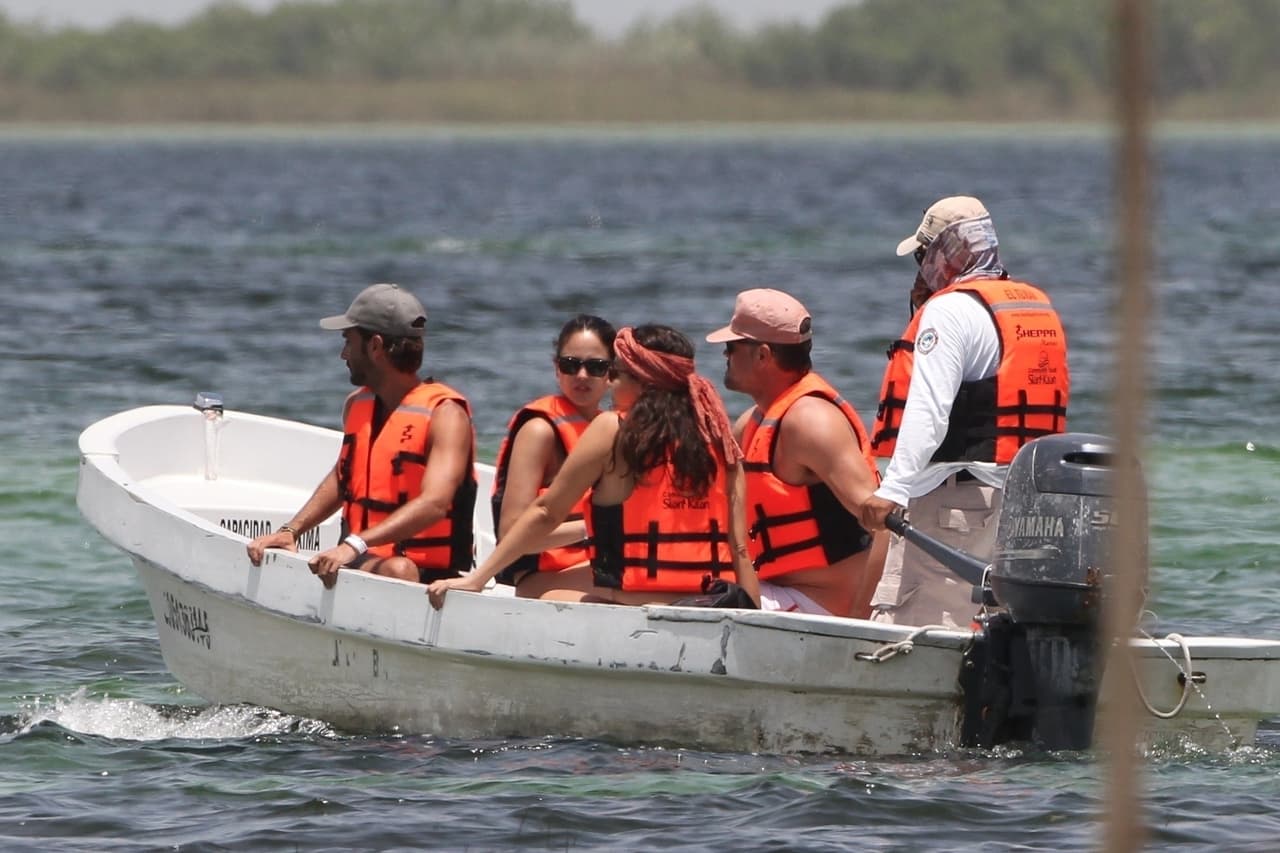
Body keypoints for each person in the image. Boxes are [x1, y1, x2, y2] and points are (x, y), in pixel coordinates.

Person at [428, 324, 757, 609]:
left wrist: (477, 578)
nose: (609, 384)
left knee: (539, 595)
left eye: (614, 373)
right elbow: (740, 548)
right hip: (713, 604)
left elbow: (546, 511)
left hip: (637, 606)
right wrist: (754, 619)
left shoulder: (612, 428)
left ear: (643, 380)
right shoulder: (719, 435)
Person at [860, 196, 1070, 628]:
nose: (920, 268)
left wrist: (893, 490)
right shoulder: (1033, 305)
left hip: (954, 505)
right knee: (995, 627)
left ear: (945, 251)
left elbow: (929, 409)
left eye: (922, 254)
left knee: (916, 629)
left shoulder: (949, 311)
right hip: (1024, 503)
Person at [246, 282, 478, 589]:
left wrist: (354, 544)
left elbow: (435, 503)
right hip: (363, 559)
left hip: (425, 575)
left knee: (400, 570)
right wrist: (292, 530)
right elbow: (344, 478)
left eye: (348, 341)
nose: (343, 353)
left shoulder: (446, 415)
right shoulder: (357, 404)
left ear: (375, 346)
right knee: (396, 569)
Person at [708, 288, 886, 618]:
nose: (725, 356)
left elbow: (886, 526)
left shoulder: (810, 421)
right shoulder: (751, 423)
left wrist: (861, 622)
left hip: (826, 607)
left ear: (762, 355)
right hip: (776, 593)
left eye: (731, 347)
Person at [490, 314, 617, 599]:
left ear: (612, 373)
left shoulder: (610, 428)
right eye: (570, 365)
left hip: (593, 569)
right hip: (540, 580)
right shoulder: (539, 431)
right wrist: (593, 526)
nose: (581, 375)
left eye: (595, 367)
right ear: (556, 369)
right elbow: (511, 533)